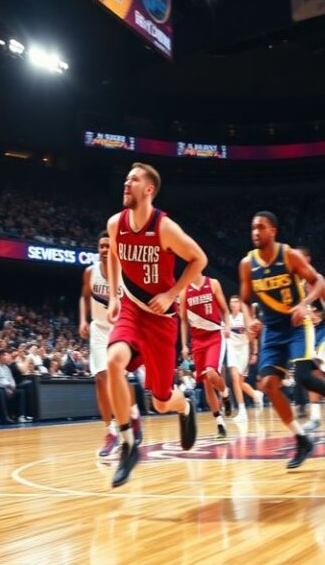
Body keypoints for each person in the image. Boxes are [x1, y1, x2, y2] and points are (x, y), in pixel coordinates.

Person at [105, 162, 205, 487]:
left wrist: (172, 292)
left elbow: (199, 259)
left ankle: (185, 407)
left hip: (161, 320)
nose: (126, 183)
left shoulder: (164, 228)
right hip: (133, 310)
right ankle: (128, 444)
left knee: (161, 401)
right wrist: (115, 296)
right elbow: (113, 255)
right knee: (113, 361)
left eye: (133, 180)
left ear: (148, 189)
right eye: (125, 178)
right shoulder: (114, 224)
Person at [239, 211, 325, 469]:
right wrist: (249, 320)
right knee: (269, 384)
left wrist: (304, 304)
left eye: (261, 227)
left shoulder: (289, 256)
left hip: (296, 325)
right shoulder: (247, 264)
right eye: (253, 228)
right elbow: (246, 301)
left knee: (304, 376)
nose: (255, 232)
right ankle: (301, 439)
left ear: (273, 231)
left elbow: (318, 281)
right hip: (271, 330)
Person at [79, 231, 142, 456]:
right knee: (100, 379)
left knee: (119, 377)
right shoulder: (90, 272)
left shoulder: (124, 272)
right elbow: (84, 296)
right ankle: (111, 431)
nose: (104, 249)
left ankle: (133, 414)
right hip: (98, 327)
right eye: (101, 246)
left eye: (108, 246)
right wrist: (83, 319)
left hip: (119, 327)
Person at [180, 274, 231, 439]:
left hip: (215, 335)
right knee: (207, 384)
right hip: (197, 340)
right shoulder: (184, 291)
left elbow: (224, 309)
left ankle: (225, 393)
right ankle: (220, 423)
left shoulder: (213, 283)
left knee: (211, 372)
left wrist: (228, 325)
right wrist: (183, 345)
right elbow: (183, 321)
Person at [297, 246, 325, 433]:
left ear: (307, 259)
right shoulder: (295, 283)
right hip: (308, 330)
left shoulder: (317, 280)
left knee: (315, 370)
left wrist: (320, 315)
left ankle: (319, 415)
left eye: (298, 258)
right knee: (312, 373)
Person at [226, 295, 263, 423]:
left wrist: (255, 353)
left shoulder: (244, 318)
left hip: (243, 350)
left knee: (240, 383)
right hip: (232, 350)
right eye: (231, 302)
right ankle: (242, 411)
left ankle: (256, 394)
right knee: (234, 378)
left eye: (236, 301)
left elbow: (253, 337)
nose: (233, 304)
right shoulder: (227, 319)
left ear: (240, 304)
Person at [0, 349, 28, 423]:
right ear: (0, 356)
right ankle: (4, 417)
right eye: (5, 355)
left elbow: (11, 379)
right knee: (1, 392)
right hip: (0, 388)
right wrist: (8, 387)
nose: (7, 357)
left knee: (20, 392)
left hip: (9, 388)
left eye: (6, 355)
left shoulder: (6, 367)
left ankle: (20, 416)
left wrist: (13, 387)